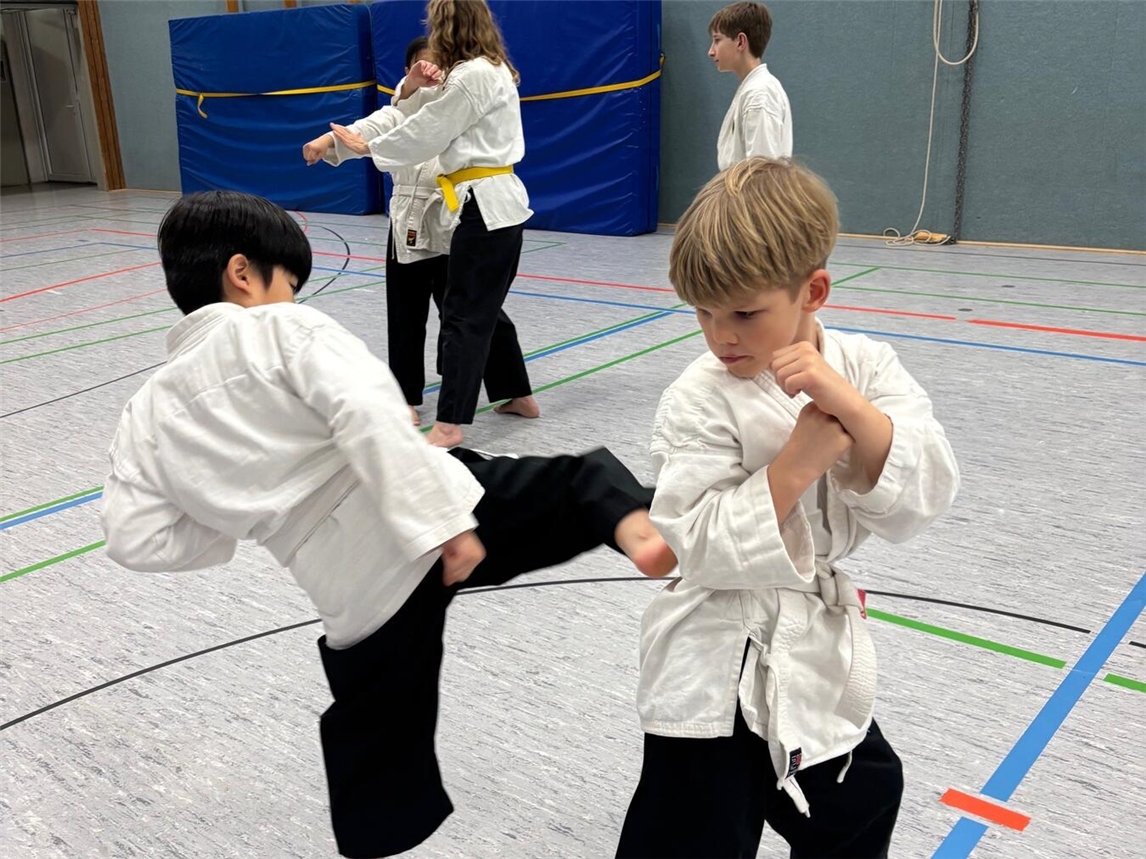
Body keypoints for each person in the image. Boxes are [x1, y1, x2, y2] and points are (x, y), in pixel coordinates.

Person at [99, 190, 676, 858]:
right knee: (575, 483)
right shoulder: (281, 330)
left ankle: (378, 837)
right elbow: (367, 409)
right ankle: (644, 527)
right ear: (243, 273)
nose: (291, 297)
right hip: (430, 520)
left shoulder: (146, 413)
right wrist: (441, 523)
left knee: (375, 749)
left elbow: (134, 536)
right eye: (289, 283)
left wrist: (238, 515)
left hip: (353, 595)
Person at [615, 158, 960, 859]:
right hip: (713, 652)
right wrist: (795, 466)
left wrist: (855, 412)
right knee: (697, 832)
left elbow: (924, 492)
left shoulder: (865, 366)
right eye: (703, 313)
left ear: (813, 291)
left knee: (865, 794)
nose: (722, 336)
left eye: (744, 313)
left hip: (808, 642)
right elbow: (694, 541)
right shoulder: (698, 397)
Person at [329, 0, 538, 449]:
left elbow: (428, 128)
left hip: (483, 205)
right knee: (478, 311)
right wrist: (397, 101)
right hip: (494, 204)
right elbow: (414, 114)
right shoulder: (493, 70)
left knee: (463, 314)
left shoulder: (471, 76)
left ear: (447, 26)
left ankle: (449, 424)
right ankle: (518, 397)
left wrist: (368, 149)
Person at [708, 2, 793, 170]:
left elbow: (761, 174)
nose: (711, 51)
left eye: (717, 40)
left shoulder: (759, 94)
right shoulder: (752, 90)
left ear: (740, 42)